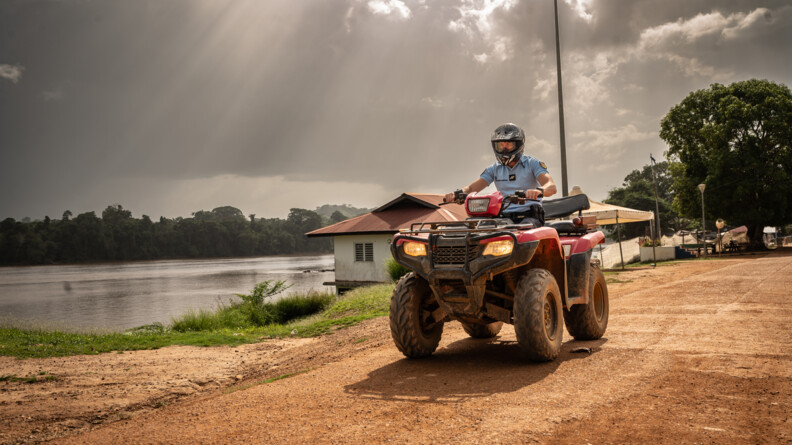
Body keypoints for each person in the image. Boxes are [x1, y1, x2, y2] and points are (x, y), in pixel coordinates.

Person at [444, 123, 557, 226]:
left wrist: (539, 191)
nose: (504, 149)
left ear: (519, 144)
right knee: (473, 228)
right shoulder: (494, 168)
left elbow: (551, 186)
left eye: (508, 145)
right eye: (500, 145)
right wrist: (457, 194)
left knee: (523, 232)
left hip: (529, 216)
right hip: (502, 217)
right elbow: (472, 188)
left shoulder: (532, 163)